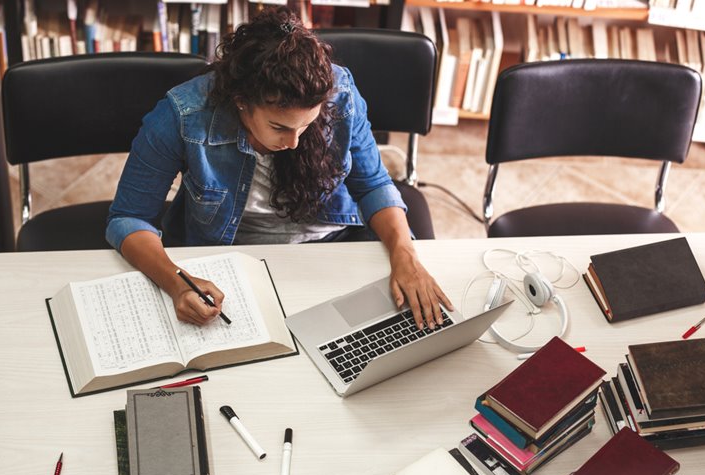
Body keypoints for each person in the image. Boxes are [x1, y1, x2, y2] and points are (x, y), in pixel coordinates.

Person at [107, 6, 452, 330]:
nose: (294, 143)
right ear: (241, 101)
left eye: (306, 125)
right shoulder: (182, 116)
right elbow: (129, 218)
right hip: (230, 259)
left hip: (333, 245)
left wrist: (405, 254)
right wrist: (176, 283)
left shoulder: (340, 93)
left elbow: (373, 185)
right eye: (279, 127)